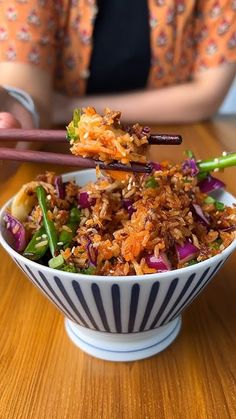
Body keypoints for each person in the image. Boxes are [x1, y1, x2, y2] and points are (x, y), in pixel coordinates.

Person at [0, 0, 236, 178]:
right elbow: (27, 93)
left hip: (180, 150)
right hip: (57, 165)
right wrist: (12, 110)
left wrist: (67, 107)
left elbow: (207, 95)